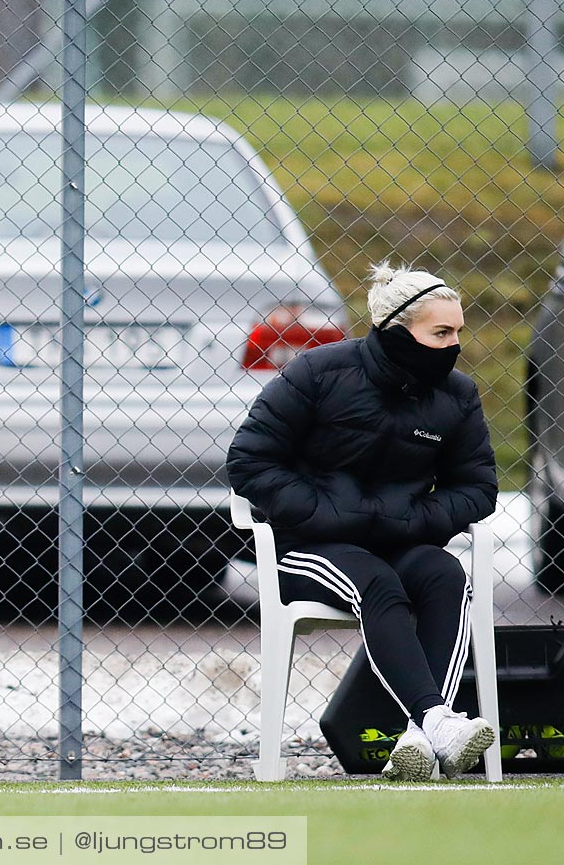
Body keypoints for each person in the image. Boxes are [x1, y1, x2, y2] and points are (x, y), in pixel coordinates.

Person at [228, 262, 498, 781]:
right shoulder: (317, 371)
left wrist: (415, 519)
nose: (453, 344)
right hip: (311, 546)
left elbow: (478, 488)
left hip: (401, 539)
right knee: (378, 582)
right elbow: (250, 461)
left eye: (458, 332)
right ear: (397, 331)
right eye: (440, 332)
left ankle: (422, 736)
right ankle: (438, 723)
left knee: (444, 575)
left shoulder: (457, 395)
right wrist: (328, 515)